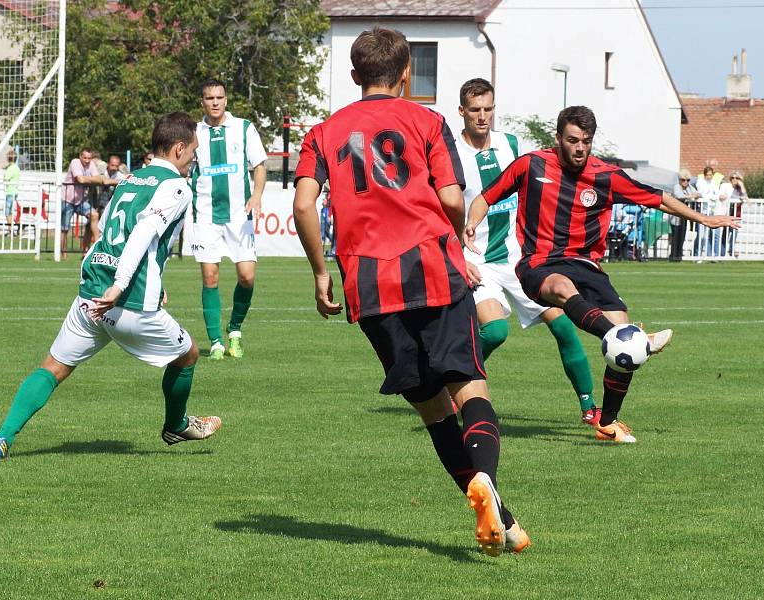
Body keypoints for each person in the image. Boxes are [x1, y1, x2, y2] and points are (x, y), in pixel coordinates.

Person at [292, 27, 528, 558]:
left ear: (355, 77)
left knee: (432, 411)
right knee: (469, 388)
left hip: (370, 285)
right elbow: (449, 196)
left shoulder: (325, 131)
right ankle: (486, 480)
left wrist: (320, 272)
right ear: (405, 76)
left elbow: (304, 205)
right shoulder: (426, 120)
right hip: (433, 269)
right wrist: (455, 230)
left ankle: (505, 522)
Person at [464, 105, 738, 443]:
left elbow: (660, 199)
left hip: (588, 266)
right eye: (573, 140)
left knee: (626, 350)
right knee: (566, 290)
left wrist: (705, 220)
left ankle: (607, 423)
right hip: (540, 263)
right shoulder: (531, 165)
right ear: (558, 139)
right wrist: (472, 223)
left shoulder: (606, 176)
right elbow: (485, 197)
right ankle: (635, 340)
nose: (580, 148)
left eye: (587, 142)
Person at [0, 112, 221, 459]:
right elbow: (144, 232)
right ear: (178, 148)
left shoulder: (130, 180)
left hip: (91, 294)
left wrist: (125, 280)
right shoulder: (176, 186)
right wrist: (120, 285)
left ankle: (2, 436)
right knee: (188, 354)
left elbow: (109, 237)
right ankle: (176, 426)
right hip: (125, 301)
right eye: (193, 149)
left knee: (52, 368)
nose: (194, 156)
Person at [455, 78, 599, 426]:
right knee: (495, 332)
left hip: (518, 256)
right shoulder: (452, 154)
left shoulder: (511, 145)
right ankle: (455, 383)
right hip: (476, 258)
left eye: (488, 108)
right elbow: (439, 207)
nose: (482, 116)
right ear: (462, 112)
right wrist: (457, 253)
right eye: (475, 110)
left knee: (564, 325)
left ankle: (591, 410)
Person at [191, 78, 268, 360]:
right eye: (209, 98)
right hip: (205, 215)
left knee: (247, 277)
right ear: (203, 101)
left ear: (226, 100)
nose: (215, 102)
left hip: (239, 216)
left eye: (219, 98)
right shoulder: (193, 132)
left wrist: (257, 195)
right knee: (210, 277)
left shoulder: (244, 128)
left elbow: (259, 166)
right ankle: (216, 343)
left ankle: (234, 329)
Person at [61, 148, 114, 259]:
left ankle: (97, 246)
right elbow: (80, 179)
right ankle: (63, 253)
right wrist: (94, 179)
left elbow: (98, 178)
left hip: (81, 200)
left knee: (94, 215)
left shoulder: (91, 165)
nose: (87, 160)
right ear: (80, 156)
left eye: (89, 158)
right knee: (65, 228)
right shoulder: (75, 162)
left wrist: (91, 179)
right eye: (84, 157)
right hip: (67, 199)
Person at [670, 168, 700, 261]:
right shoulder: (676, 187)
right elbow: (679, 196)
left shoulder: (690, 187)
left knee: (682, 236)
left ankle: (679, 256)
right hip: (676, 215)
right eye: (683, 180)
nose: (686, 182)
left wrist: (693, 195)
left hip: (684, 215)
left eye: (688, 180)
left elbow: (697, 194)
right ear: (679, 180)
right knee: (676, 236)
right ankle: (673, 256)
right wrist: (691, 196)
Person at [718, 170, 747, 258]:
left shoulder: (739, 188)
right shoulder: (726, 186)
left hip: (736, 214)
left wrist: (741, 185)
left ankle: (731, 251)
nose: (734, 179)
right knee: (724, 235)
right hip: (727, 213)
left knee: (734, 233)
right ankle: (721, 255)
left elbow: (744, 196)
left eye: (736, 178)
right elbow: (722, 196)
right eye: (732, 178)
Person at [694, 166, 720, 257]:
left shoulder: (713, 182)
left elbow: (718, 194)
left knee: (707, 236)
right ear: (704, 175)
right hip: (702, 211)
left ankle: (706, 255)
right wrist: (712, 197)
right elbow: (701, 194)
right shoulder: (700, 182)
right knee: (700, 236)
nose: (709, 176)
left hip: (710, 211)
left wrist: (711, 197)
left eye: (711, 175)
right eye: (707, 175)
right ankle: (696, 254)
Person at [3, 150, 20, 237]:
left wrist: (4, 176)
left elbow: (5, 179)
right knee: (12, 212)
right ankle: (12, 230)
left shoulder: (10, 169)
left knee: (7, 212)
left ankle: (11, 231)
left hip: (10, 192)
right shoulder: (17, 168)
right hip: (15, 192)